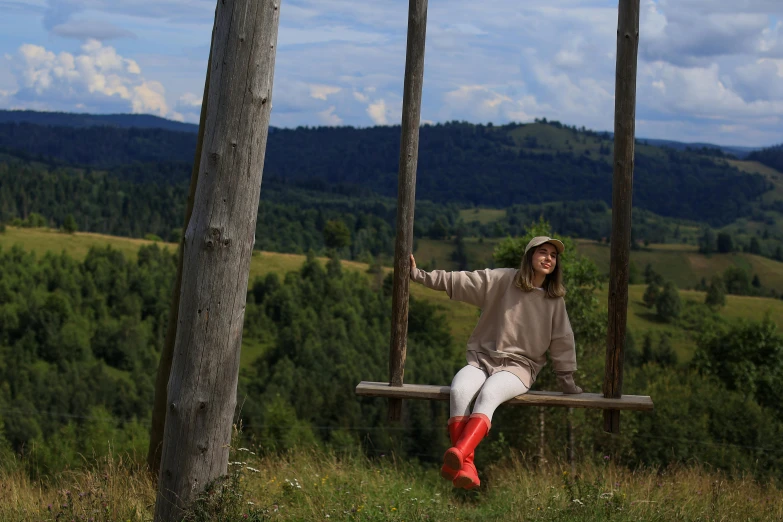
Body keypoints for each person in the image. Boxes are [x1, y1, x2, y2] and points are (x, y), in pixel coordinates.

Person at [409, 236, 583, 490]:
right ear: (529, 256)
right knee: (458, 390)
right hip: (483, 358)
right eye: (542, 253)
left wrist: (566, 380)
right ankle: (466, 464)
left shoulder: (554, 301)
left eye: (553, 256)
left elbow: (562, 341)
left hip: (520, 367)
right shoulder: (502, 280)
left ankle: (459, 456)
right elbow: (459, 280)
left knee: (489, 394)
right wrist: (418, 275)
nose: (548, 259)